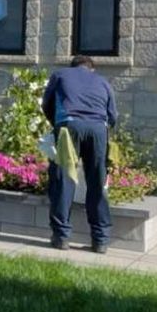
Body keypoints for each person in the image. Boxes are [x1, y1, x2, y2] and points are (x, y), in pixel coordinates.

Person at [42, 55, 117, 252]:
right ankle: (100, 240)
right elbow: (112, 116)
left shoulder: (60, 75)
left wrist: (57, 125)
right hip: (98, 130)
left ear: (73, 66)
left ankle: (61, 237)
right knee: (97, 181)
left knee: (64, 179)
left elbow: (47, 104)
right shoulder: (102, 81)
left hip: (69, 126)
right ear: (91, 69)